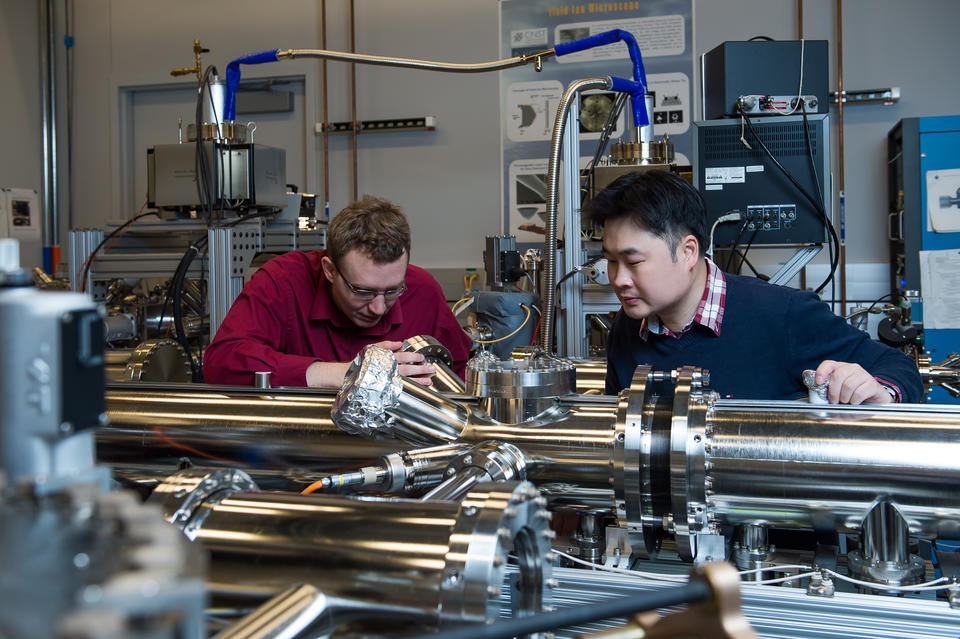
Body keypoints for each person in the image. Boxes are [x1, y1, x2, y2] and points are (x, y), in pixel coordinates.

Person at [588, 170, 923, 404]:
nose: (618, 279)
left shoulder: (784, 315)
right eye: (611, 261)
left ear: (688, 251)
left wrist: (881, 391)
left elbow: (900, 368)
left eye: (633, 262)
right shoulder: (627, 328)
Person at [203, 196, 472, 388]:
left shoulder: (422, 290)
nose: (378, 307)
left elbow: (461, 381)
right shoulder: (283, 282)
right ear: (330, 270)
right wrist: (343, 374)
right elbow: (222, 363)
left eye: (391, 291)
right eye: (362, 291)